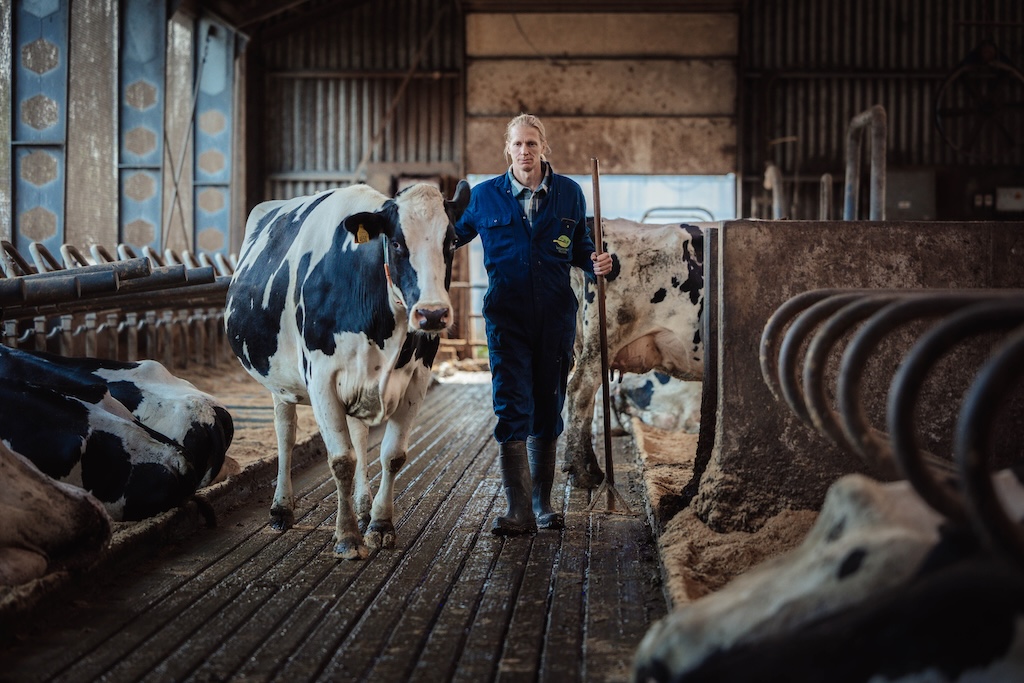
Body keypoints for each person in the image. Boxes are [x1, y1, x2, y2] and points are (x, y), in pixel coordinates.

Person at [455, 113, 613, 536]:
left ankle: (543, 505)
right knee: (512, 407)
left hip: (556, 317)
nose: (525, 151)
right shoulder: (483, 197)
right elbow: (446, 237)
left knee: (548, 406)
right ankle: (518, 509)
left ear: (544, 148)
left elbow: (580, 245)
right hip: (506, 318)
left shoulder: (569, 194)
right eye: (518, 144)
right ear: (506, 149)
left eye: (532, 143)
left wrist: (598, 259)